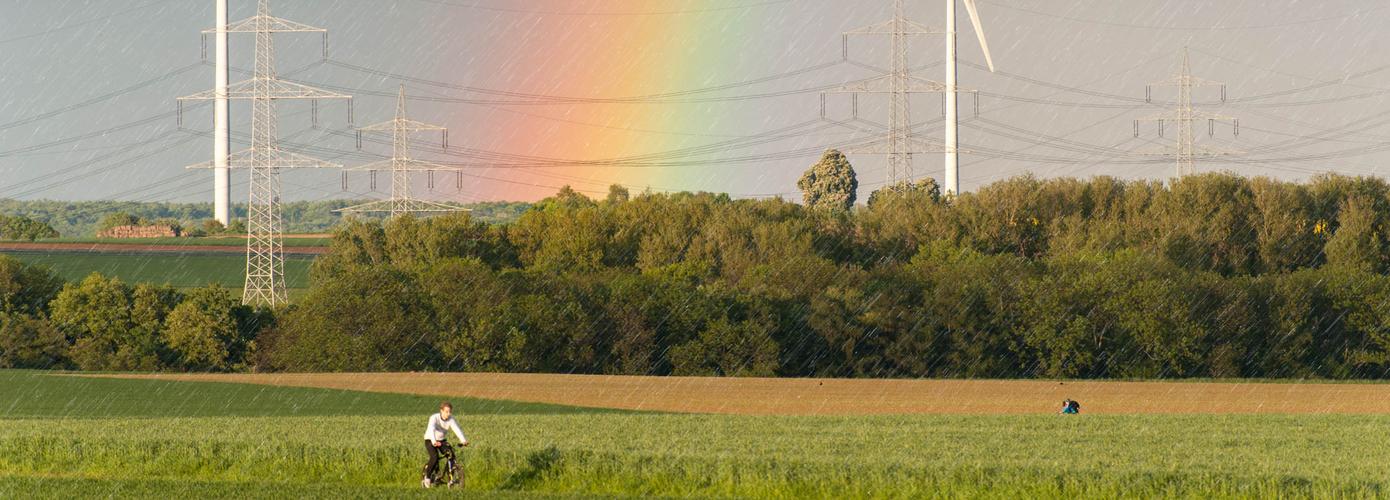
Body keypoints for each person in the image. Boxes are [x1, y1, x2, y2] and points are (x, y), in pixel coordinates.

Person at [422, 401, 469, 488]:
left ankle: (450, 479)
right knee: (434, 457)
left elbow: (457, 429)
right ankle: (427, 477)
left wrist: (463, 440)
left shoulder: (451, 419)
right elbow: (431, 429)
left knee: (451, 455)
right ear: (441, 411)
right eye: (446, 411)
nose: (448, 414)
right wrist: (434, 441)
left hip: (442, 440)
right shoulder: (434, 418)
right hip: (430, 439)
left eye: (450, 411)